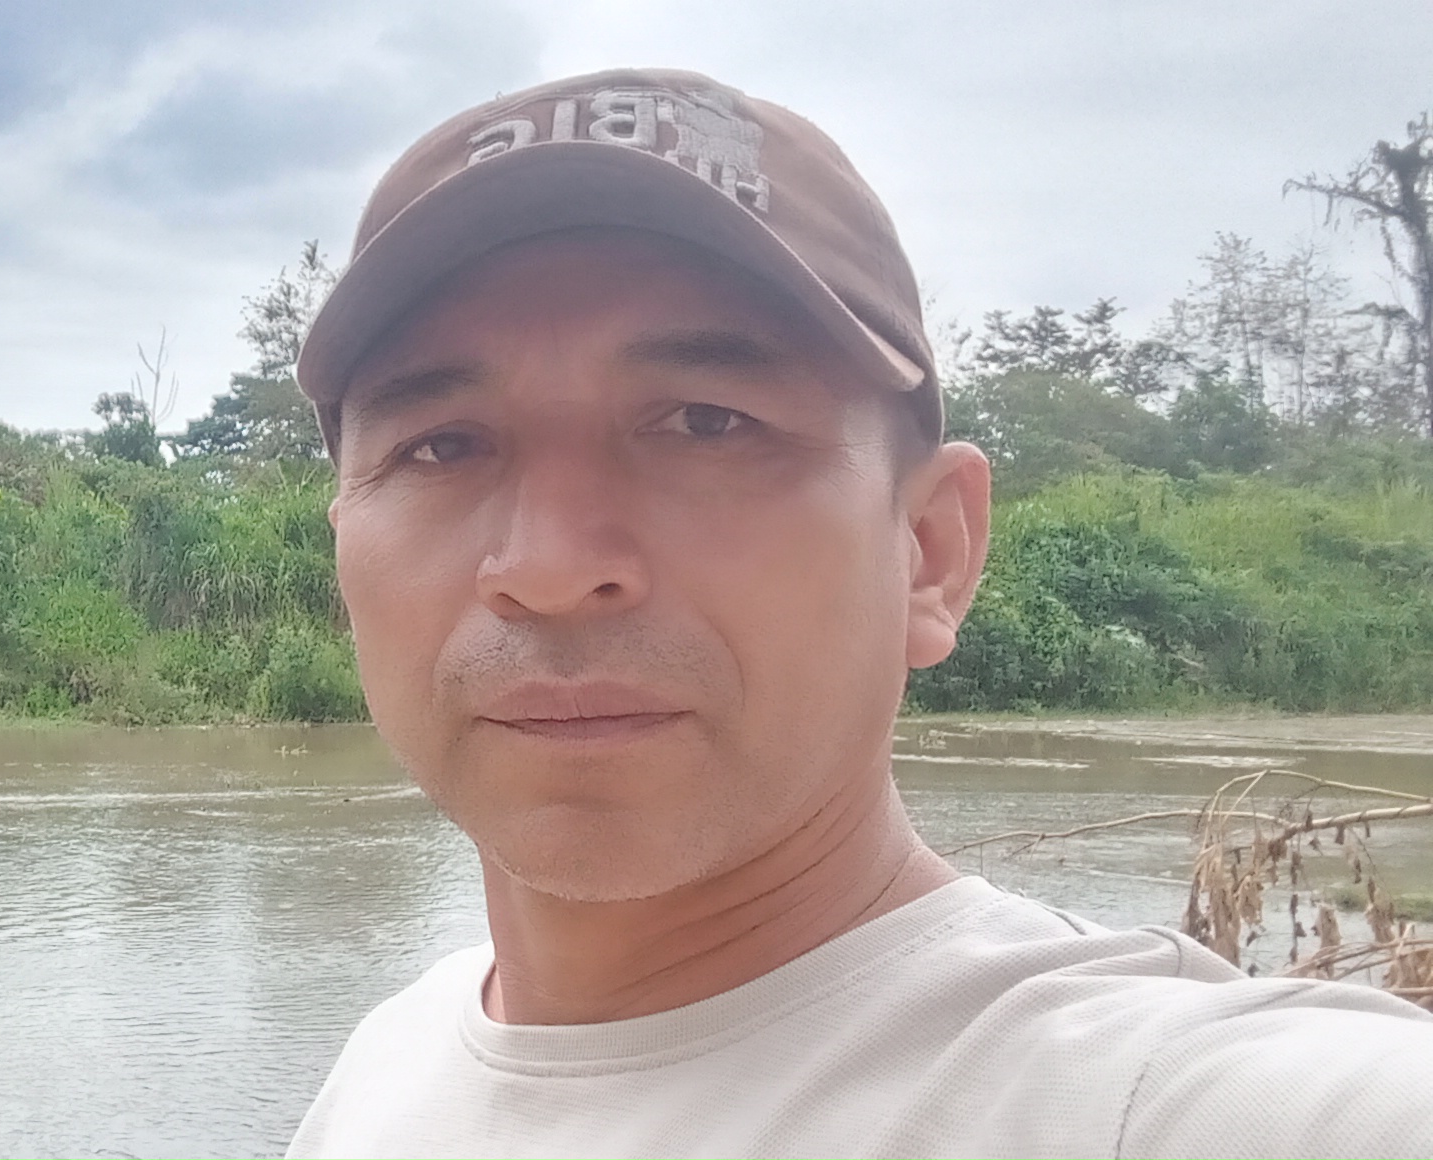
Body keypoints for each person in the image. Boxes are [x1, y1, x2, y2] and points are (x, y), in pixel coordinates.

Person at [282, 68, 1433, 1159]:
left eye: (705, 422)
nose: (548, 566)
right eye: (440, 446)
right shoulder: (391, 1062)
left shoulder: (1159, 1097)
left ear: (930, 552)